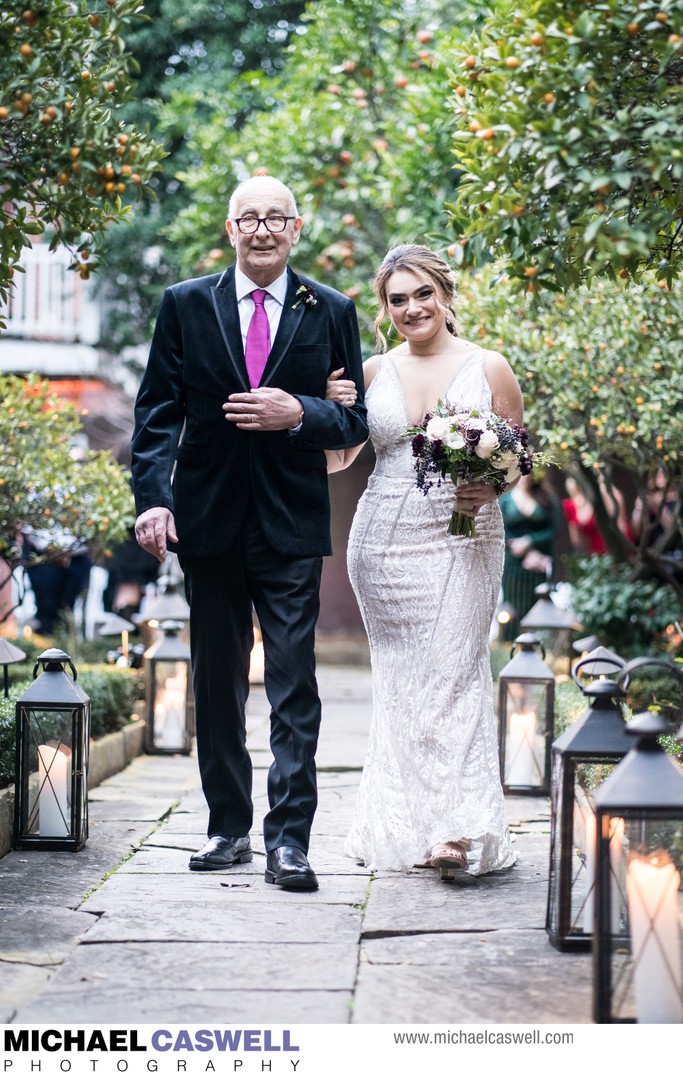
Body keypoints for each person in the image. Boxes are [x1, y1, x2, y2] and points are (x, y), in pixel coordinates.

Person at [131, 176, 368, 890]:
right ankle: (226, 828)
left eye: (275, 218)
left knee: (295, 683)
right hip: (207, 521)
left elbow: (354, 420)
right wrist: (152, 499)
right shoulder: (183, 304)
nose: (262, 230)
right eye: (248, 219)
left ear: (296, 229)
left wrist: (296, 411)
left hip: (291, 523)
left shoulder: (330, 309)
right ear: (230, 230)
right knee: (218, 681)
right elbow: (156, 414)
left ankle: (289, 841)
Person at [326, 244, 522, 878]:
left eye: (422, 294)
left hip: (464, 536)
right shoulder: (375, 371)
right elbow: (339, 460)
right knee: (406, 684)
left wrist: (490, 484)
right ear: (385, 309)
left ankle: (455, 830)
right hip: (381, 543)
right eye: (397, 299)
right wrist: (329, 409)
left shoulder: (489, 366)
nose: (412, 308)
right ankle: (417, 820)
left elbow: (516, 457)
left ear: (446, 295)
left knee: (455, 673)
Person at [499, 473, 562, 639]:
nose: (525, 477)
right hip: (513, 564)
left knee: (537, 606)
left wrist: (530, 542)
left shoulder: (547, 499)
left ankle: (536, 647)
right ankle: (508, 647)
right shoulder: (504, 500)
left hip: (540, 563)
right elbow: (500, 530)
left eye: (529, 473)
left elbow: (554, 530)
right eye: (521, 473)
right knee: (512, 608)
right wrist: (522, 549)